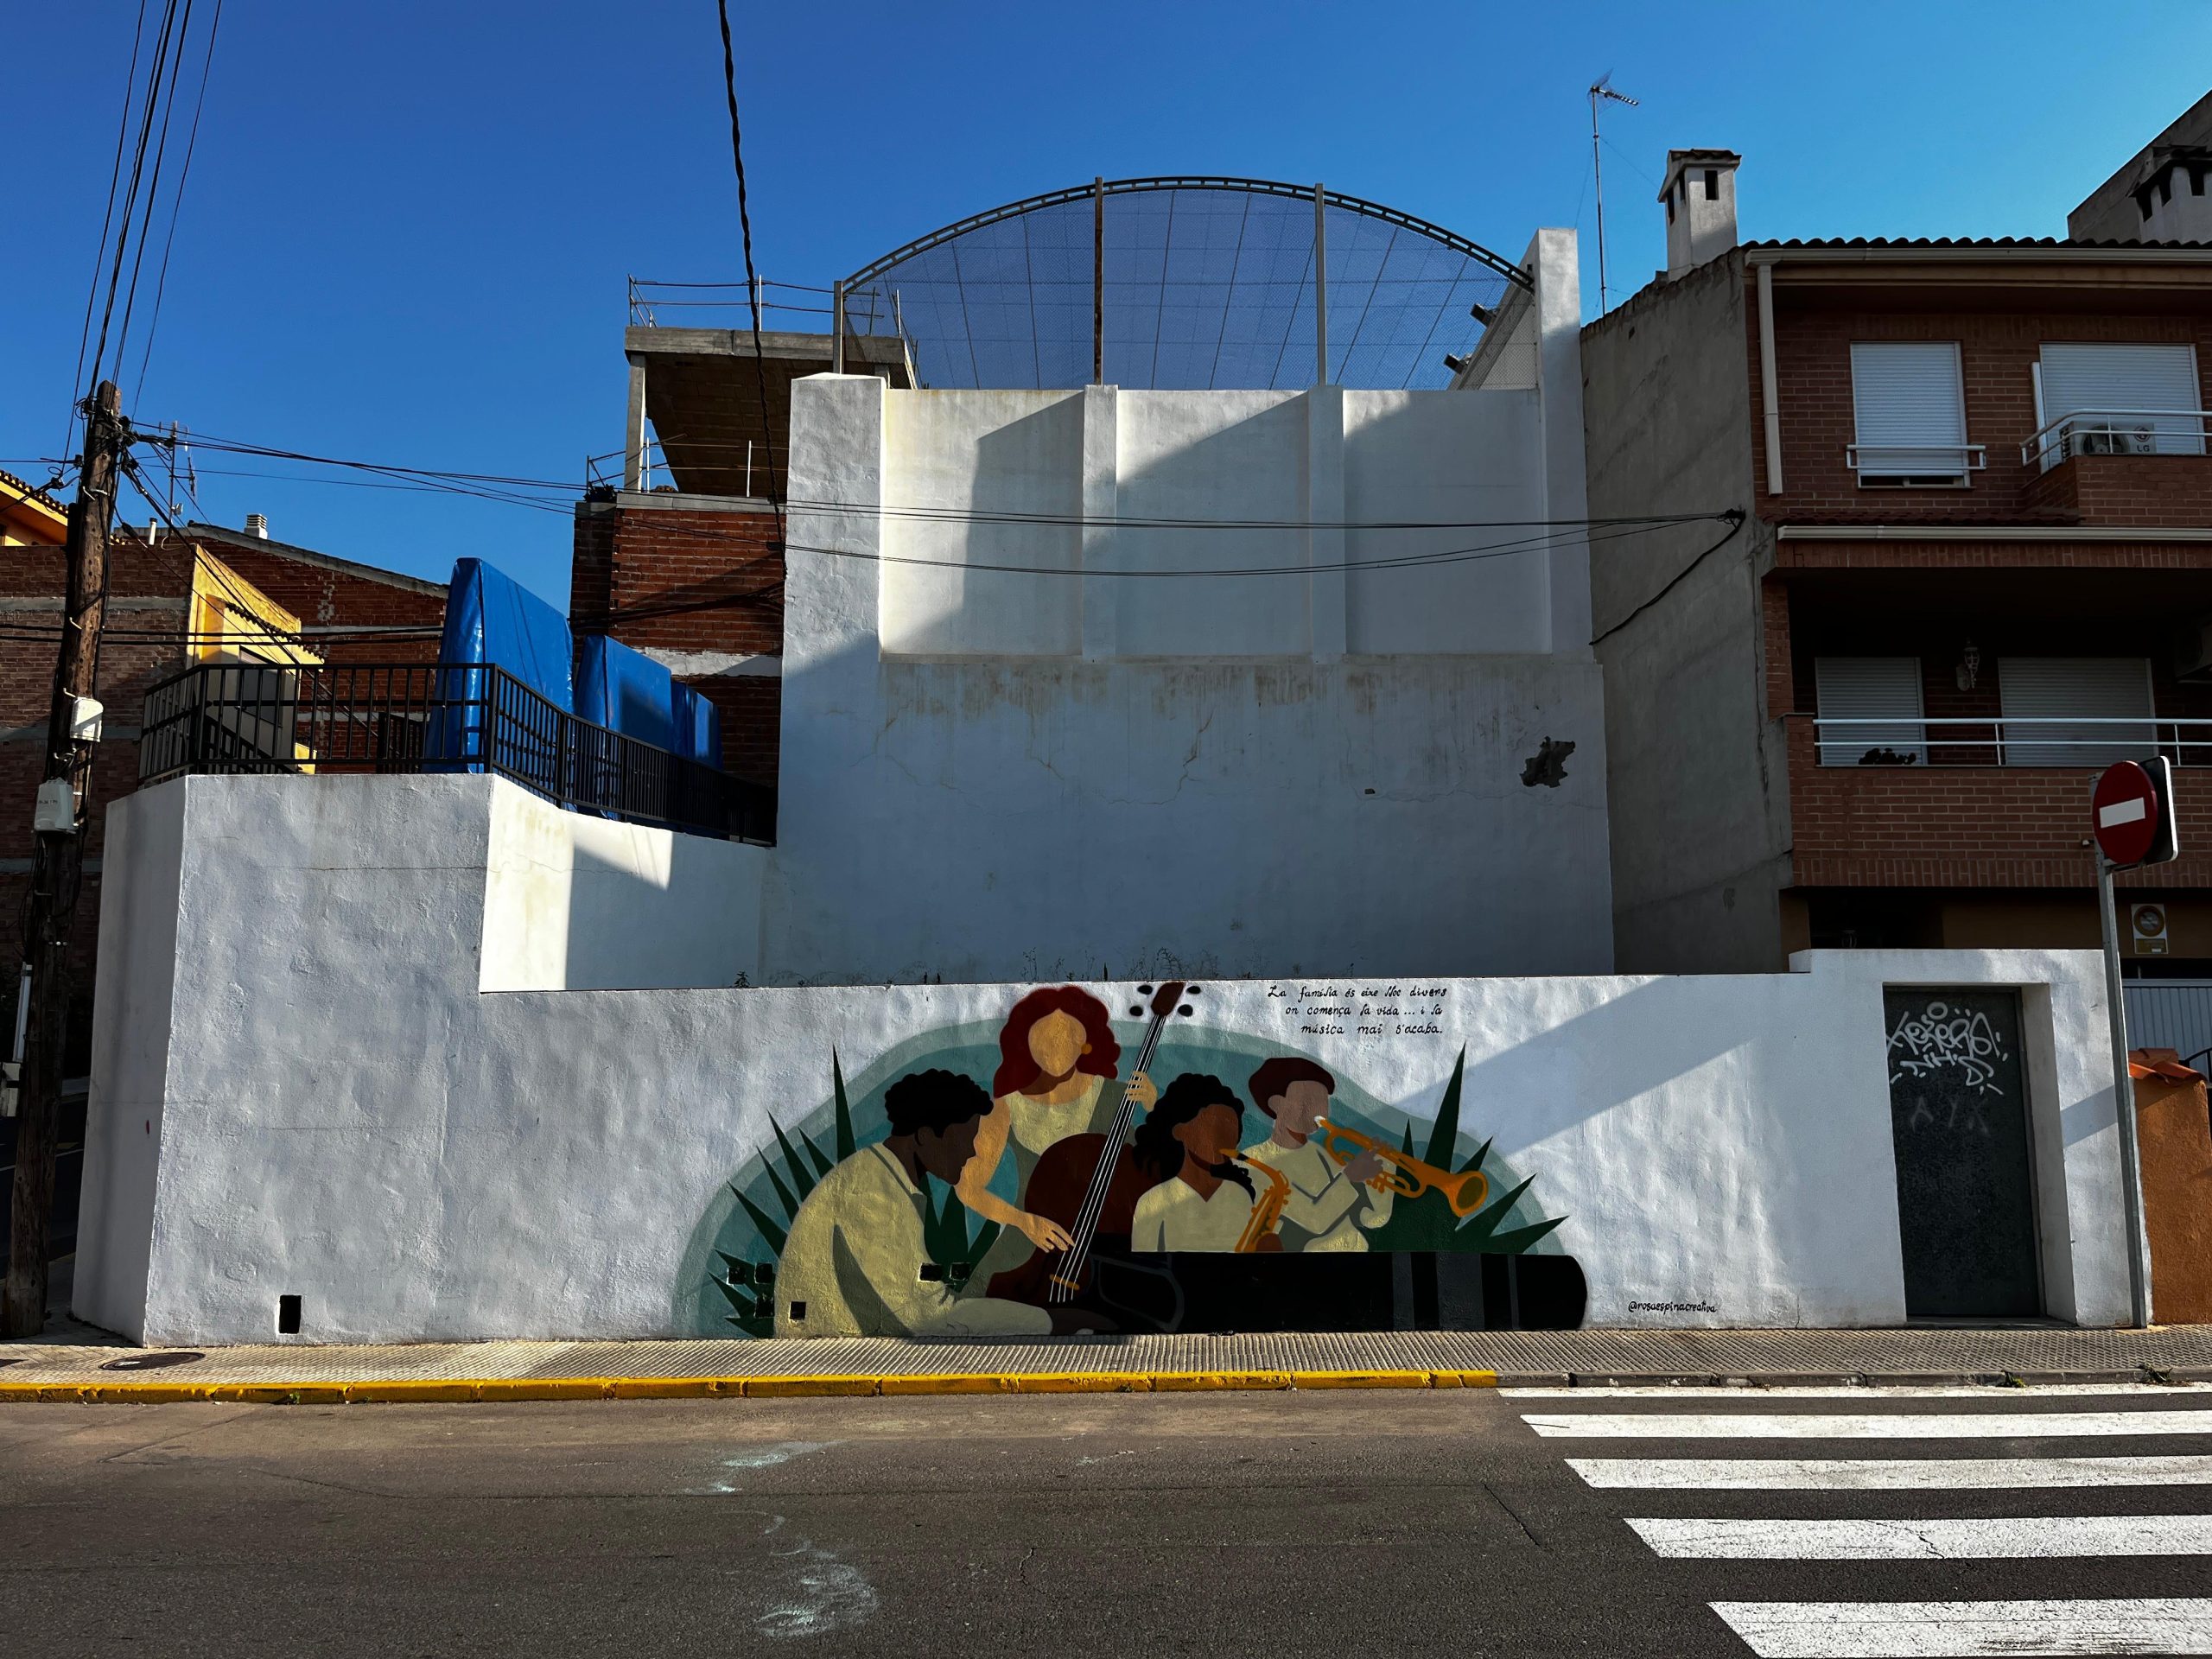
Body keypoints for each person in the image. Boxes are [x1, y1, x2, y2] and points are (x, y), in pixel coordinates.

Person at [774, 1069, 1093, 1338]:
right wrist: (1052, 1322)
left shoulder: (881, 1175)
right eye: (965, 1139)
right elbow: (926, 1315)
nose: (972, 1152)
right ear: (925, 1136)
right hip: (822, 1355)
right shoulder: (871, 1191)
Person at [957, 986, 1157, 1259]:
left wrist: (1153, 1107)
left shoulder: (1119, 1095)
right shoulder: (1007, 1107)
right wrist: (1024, 1221)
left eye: (1066, 1037)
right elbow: (968, 1188)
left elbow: (1157, 1171)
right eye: (1045, 1038)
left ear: (1084, 1042)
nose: (1056, 1047)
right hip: (1032, 1251)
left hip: (1105, 1248)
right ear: (1026, 1043)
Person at [1240, 1056, 1394, 1252]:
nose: (1319, 1111)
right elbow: (1314, 1219)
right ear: (1277, 1104)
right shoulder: (1254, 1163)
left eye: (1323, 1102)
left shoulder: (1321, 1154)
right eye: (1308, 1101)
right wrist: (1351, 1176)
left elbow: (1372, 1219)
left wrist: (1385, 1170)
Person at [1128, 1073, 1271, 1253]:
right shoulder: (1153, 1202)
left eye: (1231, 1127)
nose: (1224, 1137)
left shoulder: (1239, 1196)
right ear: (1180, 1131)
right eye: (1213, 1123)